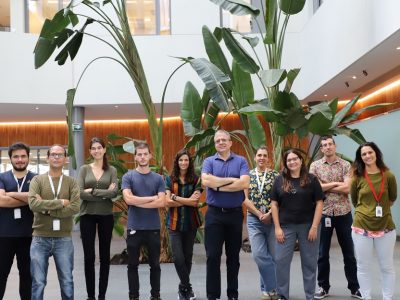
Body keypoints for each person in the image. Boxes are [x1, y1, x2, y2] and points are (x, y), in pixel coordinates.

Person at [310, 136, 361, 299]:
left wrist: (326, 186)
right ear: (322, 148)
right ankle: (323, 287)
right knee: (322, 253)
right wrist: (335, 184)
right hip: (323, 212)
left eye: (330, 144)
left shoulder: (346, 165)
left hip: (343, 213)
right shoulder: (315, 165)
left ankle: (355, 287)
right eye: (324, 145)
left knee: (349, 253)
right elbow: (315, 188)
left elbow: (347, 188)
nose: (327, 147)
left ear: (335, 146)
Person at [201, 129, 250, 300]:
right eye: (217, 140)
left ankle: (232, 295)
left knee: (233, 257)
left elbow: (244, 182)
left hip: (235, 215)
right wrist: (232, 182)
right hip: (214, 215)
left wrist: (218, 185)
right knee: (213, 256)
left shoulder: (241, 160)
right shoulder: (209, 161)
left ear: (230, 142)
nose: (221, 142)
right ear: (215, 144)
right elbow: (206, 181)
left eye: (224, 140)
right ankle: (213, 296)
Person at [270, 149, 324, 300]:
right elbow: (274, 205)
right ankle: (282, 295)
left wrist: (314, 226)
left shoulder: (312, 179)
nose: (292, 162)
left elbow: (319, 203)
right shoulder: (279, 180)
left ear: (301, 160)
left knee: (309, 263)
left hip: (308, 227)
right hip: (285, 227)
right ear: (285, 163)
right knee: (281, 261)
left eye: (295, 159)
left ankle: (309, 296)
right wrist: (277, 228)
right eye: (289, 160)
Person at [28, 144, 80, 300]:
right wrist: (61, 202)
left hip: (63, 238)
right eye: (53, 154)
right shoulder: (37, 180)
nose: (56, 157)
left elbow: (75, 207)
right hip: (39, 238)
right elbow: (33, 204)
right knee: (38, 282)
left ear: (65, 159)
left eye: (60, 155)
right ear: (47, 157)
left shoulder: (72, 182)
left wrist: (46, 208)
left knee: (67, 282)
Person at [350, 142, 397, 300]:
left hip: (385, 227)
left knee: (387, 266)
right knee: (363, 266)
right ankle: (366, 297)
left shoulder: (388, 175)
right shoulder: (357, 176)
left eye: (370, 152)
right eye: (363, 154)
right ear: (360, 158)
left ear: (376, 153)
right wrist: (368, 211)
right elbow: (355, 200)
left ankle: (387, 297)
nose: (367, 156)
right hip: (361, 227)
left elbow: (392, 199)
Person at [122, 142, 166, 300]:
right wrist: (152, 198)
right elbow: (128, 199)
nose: (142, 157)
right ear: (135, 157)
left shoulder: (158, 178)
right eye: (139, 154)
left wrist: (137, 200)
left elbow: (161, 203)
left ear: (150, 155)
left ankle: (156, 296)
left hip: (153, 227)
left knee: (155, 265)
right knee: (132, 265)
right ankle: (133, 297)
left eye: (145, 154)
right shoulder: (128, 176)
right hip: (134, 227)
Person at [78, 137, 118, 300]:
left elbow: (114, 193)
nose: (96, 151)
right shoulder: (84, 169)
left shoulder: (112, 171)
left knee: (104, 256)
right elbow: (79, 192)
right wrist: (103, 193)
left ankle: (102, 295)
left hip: (105, 216)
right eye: (93, 148)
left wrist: (92, 192)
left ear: (104, 150)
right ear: (90, 151)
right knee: (88, 257)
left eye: (99, 147)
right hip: (87, 215)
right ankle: (90, 296)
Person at [0, 142, 36, 300]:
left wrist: (10, 194)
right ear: (10, 159)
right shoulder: (1, 177)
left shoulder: (36, 178)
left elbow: (39, 199)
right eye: (16, 156)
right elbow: (1, 201)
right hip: (4, 235)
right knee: (1, 275)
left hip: (29, 235)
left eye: (23, 156)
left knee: (27, 277)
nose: (20, 159)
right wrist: (29, 198)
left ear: (28, 158)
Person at [165, 149, 202, 300]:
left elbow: (195, 202)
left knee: (187, 257)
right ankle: (187, 286)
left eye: (186, 160)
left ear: (190, 162)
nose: (184, 163)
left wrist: (175, 198)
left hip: (191, 224)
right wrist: (184, 200)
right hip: (174, 224)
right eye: (181, 160)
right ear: (177, 162)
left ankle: (183, 289)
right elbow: (167, 202)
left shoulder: (196, 179)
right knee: (178, 257)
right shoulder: (169, 179)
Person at [243, 146, 279, 300]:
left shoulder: (275, 175)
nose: (262, 158)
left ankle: (266, 291)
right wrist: (259, 213)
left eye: (265, 155)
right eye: (259, 155)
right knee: (258, 255)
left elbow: (279, 198)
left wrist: (270, 213)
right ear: (255, 157)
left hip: (272, 218)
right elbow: (244, 198)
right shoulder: (248, 175)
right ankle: (275, 287)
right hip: (254, 218)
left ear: (268, 158)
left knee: (272, 256)